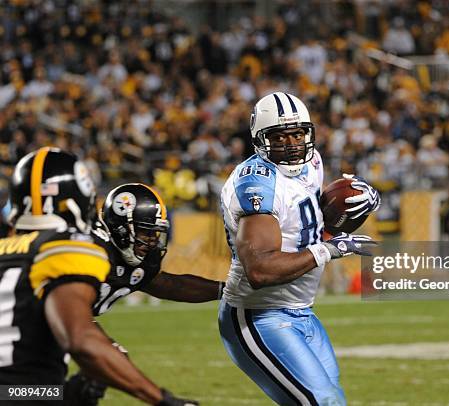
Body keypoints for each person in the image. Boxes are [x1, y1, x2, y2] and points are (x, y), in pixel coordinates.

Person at [0, 147, 197, 405]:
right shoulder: (65, 247)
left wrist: (69, 394)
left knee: (74, 391)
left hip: (16, 392)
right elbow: (80, 338)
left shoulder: (6, 247)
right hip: (21, 394)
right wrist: (162, 400)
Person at [218, 92, 380, 405]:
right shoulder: (257, 184)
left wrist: (351, 205)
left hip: (301, 310)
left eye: (297, 133)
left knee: (332, 400)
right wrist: (328, 250)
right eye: (280, 136)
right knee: (322, 402)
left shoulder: (313, 163)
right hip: (258, 315)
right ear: (260, 141)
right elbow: (260, 271)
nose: (292, 143)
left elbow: (311, 227)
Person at [66, 182, 226, 405]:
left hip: (55, 325)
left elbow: (164, 284)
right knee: (22, 389)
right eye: (146, 232)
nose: (151, 241)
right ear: (120, 227)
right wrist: (163, 400)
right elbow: (69, 312)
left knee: (91, 379)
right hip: (25, 322)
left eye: (155, 233)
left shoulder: (131, 257)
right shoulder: (89, 251)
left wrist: (226, 291)